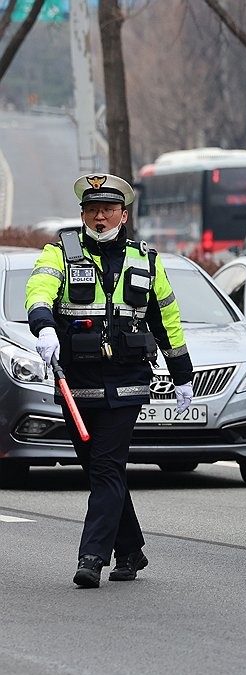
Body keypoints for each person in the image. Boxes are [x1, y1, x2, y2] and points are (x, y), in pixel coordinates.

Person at [26, 174, 194, 589]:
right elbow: (39, 289)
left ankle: (92, 556)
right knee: (104, 471)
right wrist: (43, 325)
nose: (99, 217)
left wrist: (182, 375)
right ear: (82, 213)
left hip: (127, 382)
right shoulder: (58, 252)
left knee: (104, 466)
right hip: (76, 383)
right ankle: (131, 548)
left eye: (108, 210)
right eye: (91, 210)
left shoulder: (146, 260)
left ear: (124, 213)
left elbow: (166, 320)